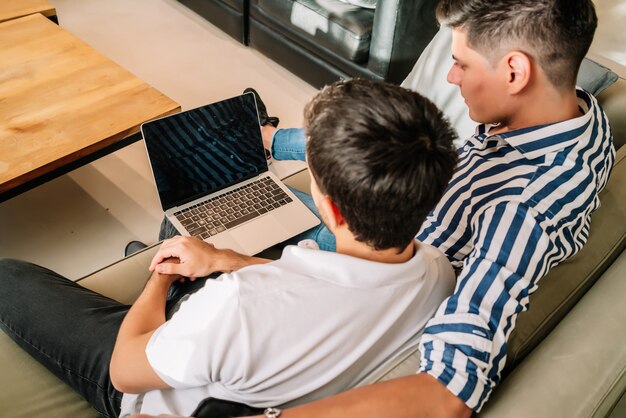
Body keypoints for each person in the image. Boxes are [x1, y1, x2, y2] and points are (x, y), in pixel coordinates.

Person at [235, 0, 614, 416]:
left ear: (514, 72)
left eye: (462, 64)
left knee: (215, 212)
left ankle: (259, 140)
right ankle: (269, 138)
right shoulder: (580, 117)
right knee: (377, 140)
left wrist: (236, 264)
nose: (451, 78)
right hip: (414, 209)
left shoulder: (521, 211)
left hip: (377, 257)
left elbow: (449, 393)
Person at [0, 79, 459, 417]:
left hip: (155, 387)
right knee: (187, 246)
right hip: (233, 347)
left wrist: (158, 279)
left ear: (332, 212)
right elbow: (314, 290)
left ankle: (158, 267)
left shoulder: (240, 304)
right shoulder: (437, 272)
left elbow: (124, 370)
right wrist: (226, 260)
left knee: (9, 276)